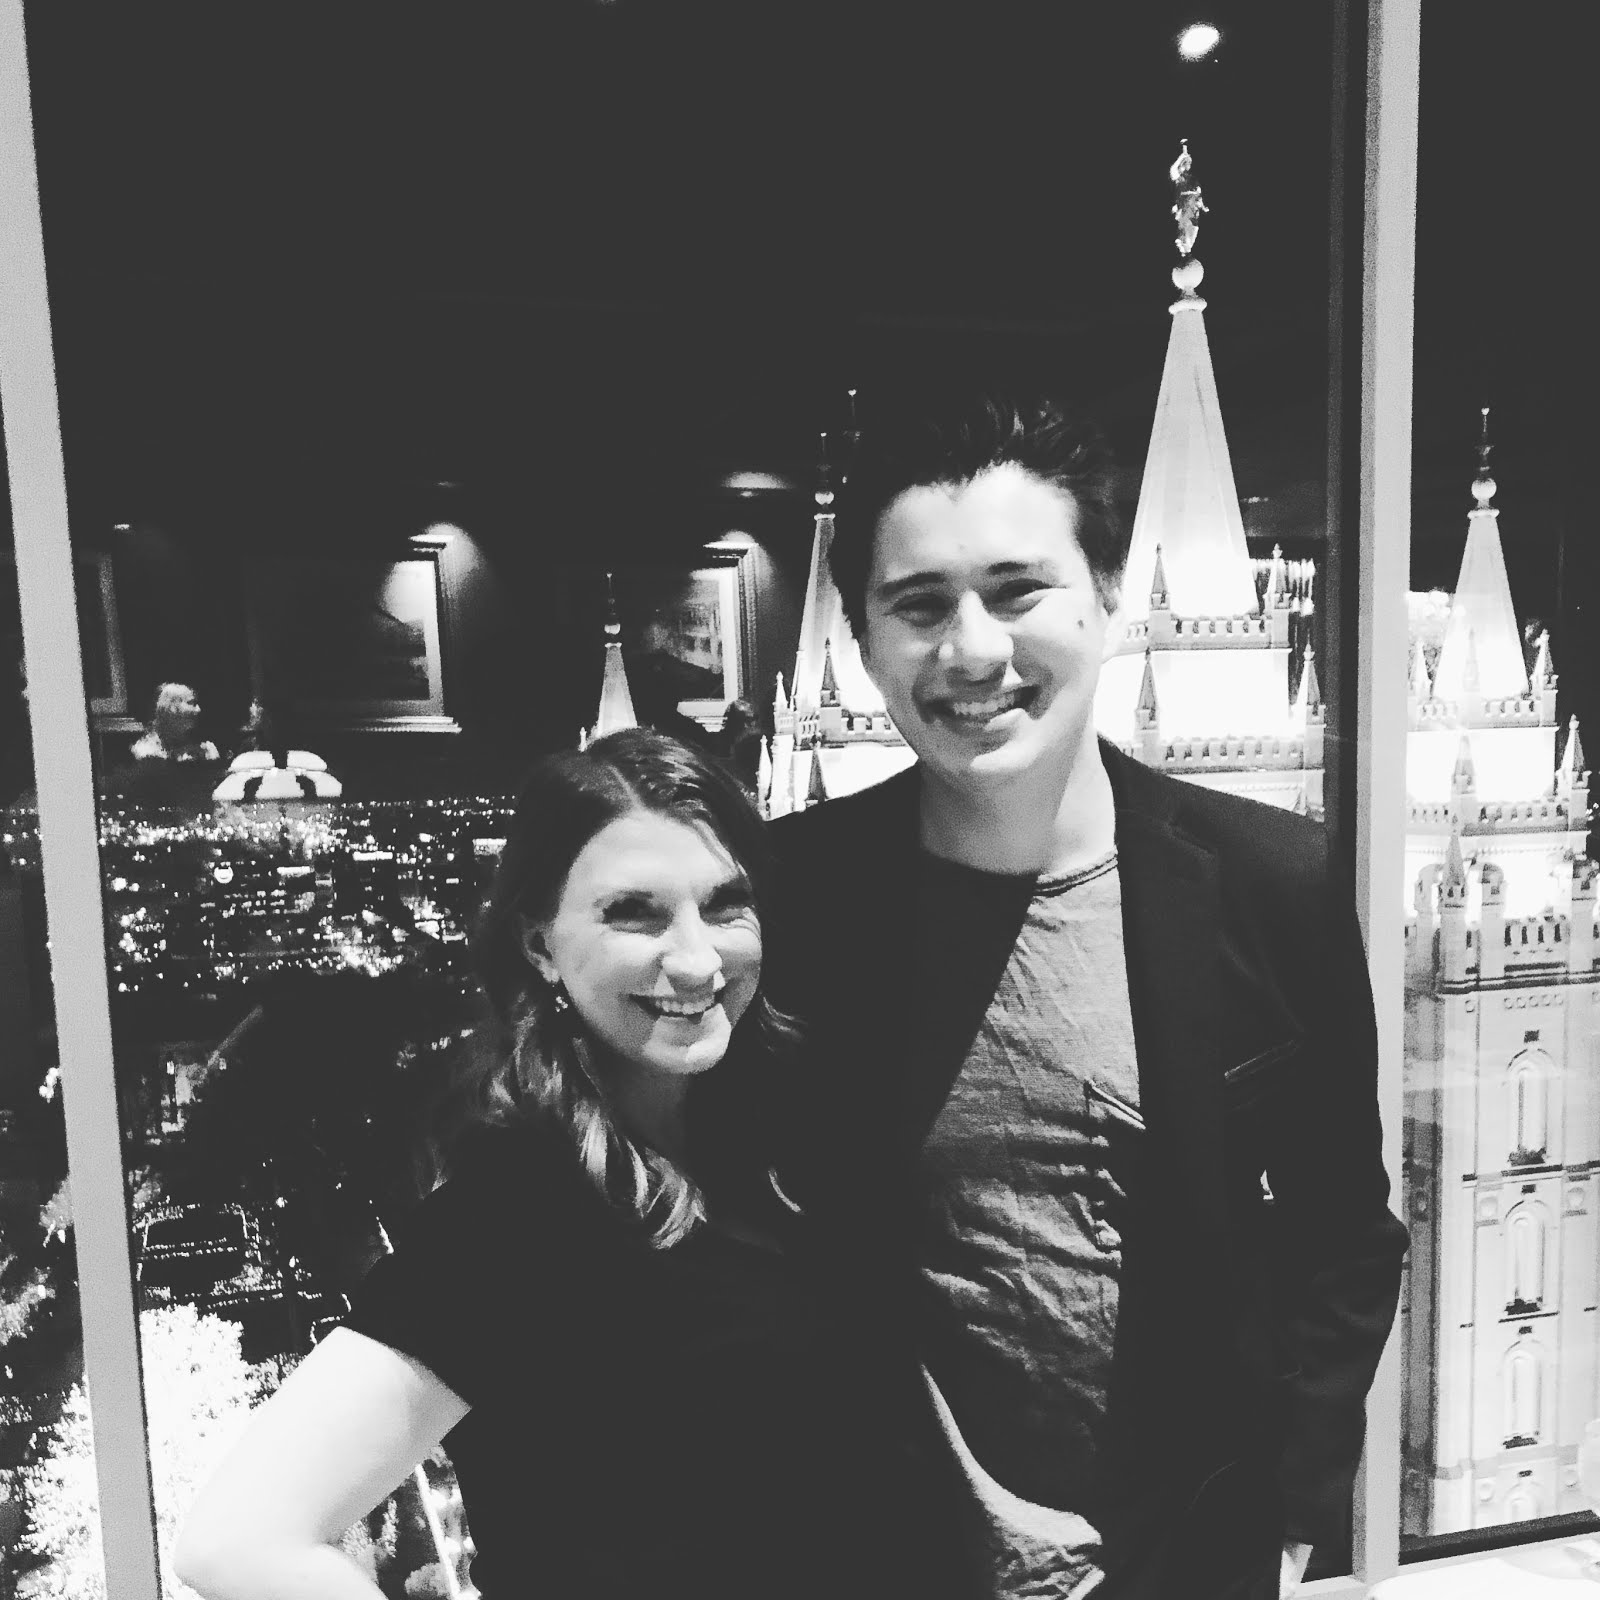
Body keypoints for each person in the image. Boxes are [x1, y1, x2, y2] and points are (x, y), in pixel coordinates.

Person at [750, 392, 1409, 1600]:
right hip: (882, 1556)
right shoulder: (793, 900)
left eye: (1017, 591)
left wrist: (1289, 1511)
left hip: (1182, 1554)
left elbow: (1344, 1231)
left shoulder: (1268, 882)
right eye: (919, 604)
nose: (972, 650)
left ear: (1105, 599)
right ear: (864, 639)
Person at [175, 727, 903, 1600]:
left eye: (725, 905)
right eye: (633, 912)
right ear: (539, 945)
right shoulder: (518, 1216)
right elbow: (237, 1541)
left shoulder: (780, 1151)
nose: (697, 959)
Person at [130, 681, 220, 764]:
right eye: (191, 703)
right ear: (170, 709)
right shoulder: (148, 753)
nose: (198, 709)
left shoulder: (204, 750)